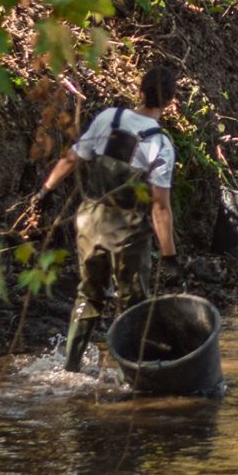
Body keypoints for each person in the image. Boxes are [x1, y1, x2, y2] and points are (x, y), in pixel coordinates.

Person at [31, 65, 182, 372]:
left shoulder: (108, 118)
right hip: (128, 233)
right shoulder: (160, 144)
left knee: (88, 295)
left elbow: (72, 158)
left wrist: (43, 193)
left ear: (139, 91)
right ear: (169, 102)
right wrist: (169, 256)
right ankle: (132, 374)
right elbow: (160, 208)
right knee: (132, 304)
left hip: (89, 221)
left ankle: (70, 367)